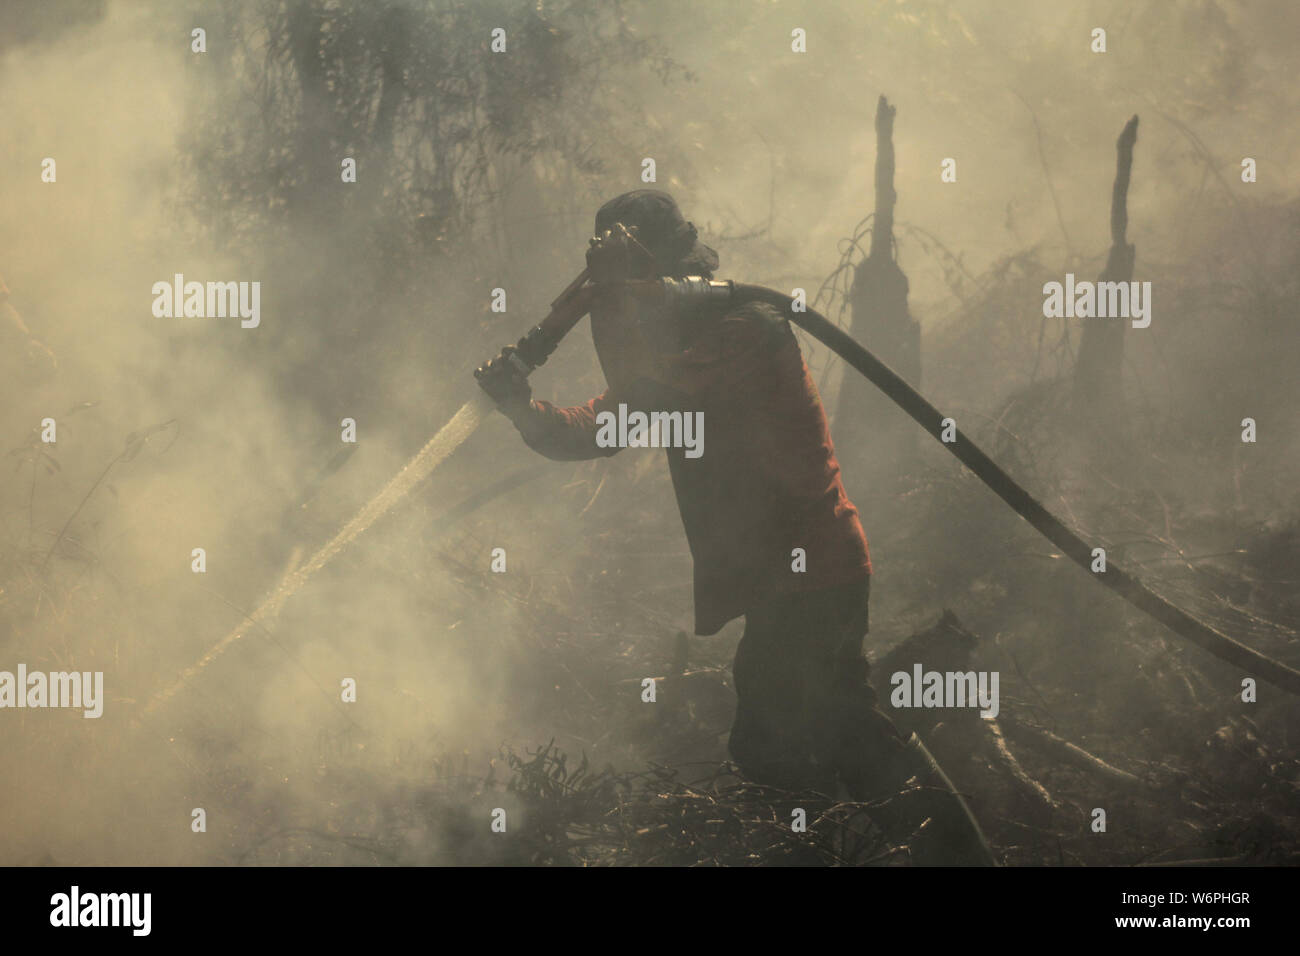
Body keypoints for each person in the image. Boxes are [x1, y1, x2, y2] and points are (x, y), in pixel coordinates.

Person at [476, 189, 909, 798]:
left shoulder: (745, 330)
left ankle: (915, 841)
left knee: (785, 745)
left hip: (814, 571)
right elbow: (607, 425)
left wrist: (607, 301)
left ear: (660, 275)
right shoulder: (685, 349)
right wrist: (520, 407)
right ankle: (916, 839)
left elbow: (642, 393)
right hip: (787, 580)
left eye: (628, 282)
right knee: (826, 736)